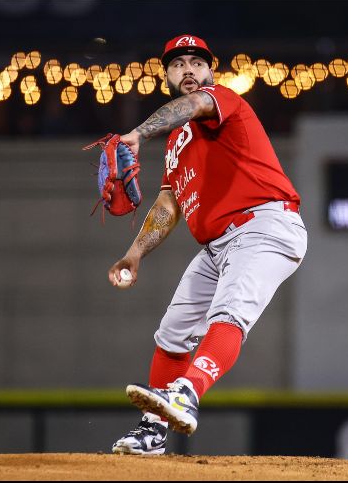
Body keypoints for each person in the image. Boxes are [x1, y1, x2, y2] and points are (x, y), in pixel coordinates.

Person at [109, 35, 307, 455]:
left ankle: (188, 393)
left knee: (230, 312)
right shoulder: (176, 144)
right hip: (218, 245)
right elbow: (168, 203)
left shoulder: (220, 100)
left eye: (197, 62)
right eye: (178, 64)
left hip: (265, 225)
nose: (189, 71)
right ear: (165, 75)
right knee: (172, 334)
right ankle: (152, 431)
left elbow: (193, 106)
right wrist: (136, 252)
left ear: (210, 71)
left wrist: (139, 132)